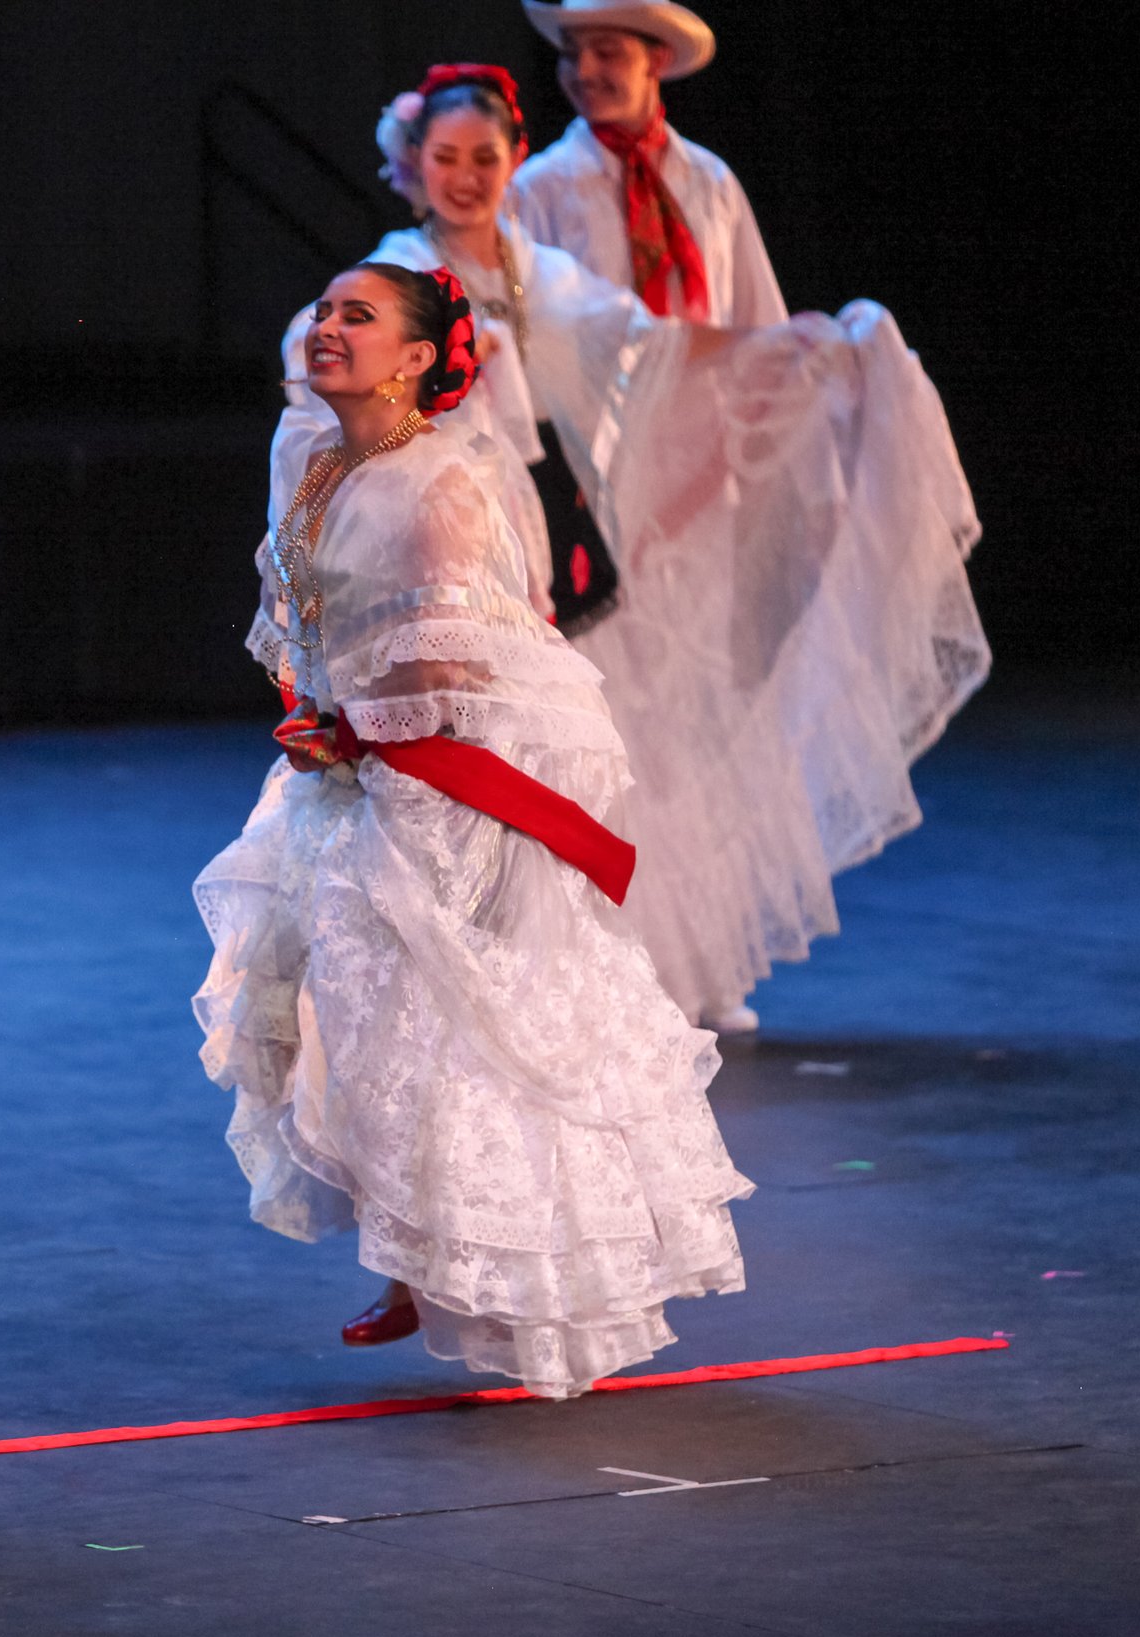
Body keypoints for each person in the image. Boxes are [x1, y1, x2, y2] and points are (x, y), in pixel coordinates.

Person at [320, 64, 988, 1029]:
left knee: (609, 741)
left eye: (486, 156)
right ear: (411, 164)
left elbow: (643, 339)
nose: (466, 175)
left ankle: (631, 970)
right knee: (494, 754)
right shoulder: (398, 272)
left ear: (512, 162)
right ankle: (493, 983)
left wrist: (784, 347)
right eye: (447, 157)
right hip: (460, 537)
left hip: (557, 528)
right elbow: (357, 387)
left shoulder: (526, 263)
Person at [195, 261, 750, 1395]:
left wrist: (353, 731)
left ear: (414, 358)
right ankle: (417, 1253)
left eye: (361, 317)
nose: (329, 327)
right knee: (355, 1025)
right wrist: (321, 717)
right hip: (349, 766)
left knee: (454, 1029)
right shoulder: (315, 458)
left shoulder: (438, 484)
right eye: (326, 310)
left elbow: (454, 665)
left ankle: (526, 1290)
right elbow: (311, 619)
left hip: (439, 784)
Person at [509, 1, 784, 331]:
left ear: (657, 59)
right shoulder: (539, 188)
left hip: (711, 381)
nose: (583, 71)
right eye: (570, 53)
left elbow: (761, 325)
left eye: (607, 53)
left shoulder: (711, 180)